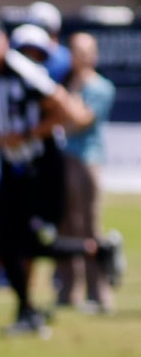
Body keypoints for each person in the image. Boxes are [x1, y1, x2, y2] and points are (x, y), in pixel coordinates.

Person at [0, 22, 89, 337]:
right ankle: (26, 309)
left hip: (39, 169)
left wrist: (26, 134)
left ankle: (28, 309)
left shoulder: (25, 73)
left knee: (26, 242)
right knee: (10, 242)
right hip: (15, 171)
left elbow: (64, 108)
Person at [57, 32, 116, 314]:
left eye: (83, 51)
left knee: (89, 228)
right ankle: (68, 290)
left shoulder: (101, 87)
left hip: (86, 160)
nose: (77, 56)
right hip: (64, 159)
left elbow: (81, 120)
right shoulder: (66, 82)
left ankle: (99, 292)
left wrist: (59, 99)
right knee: (66, 225)